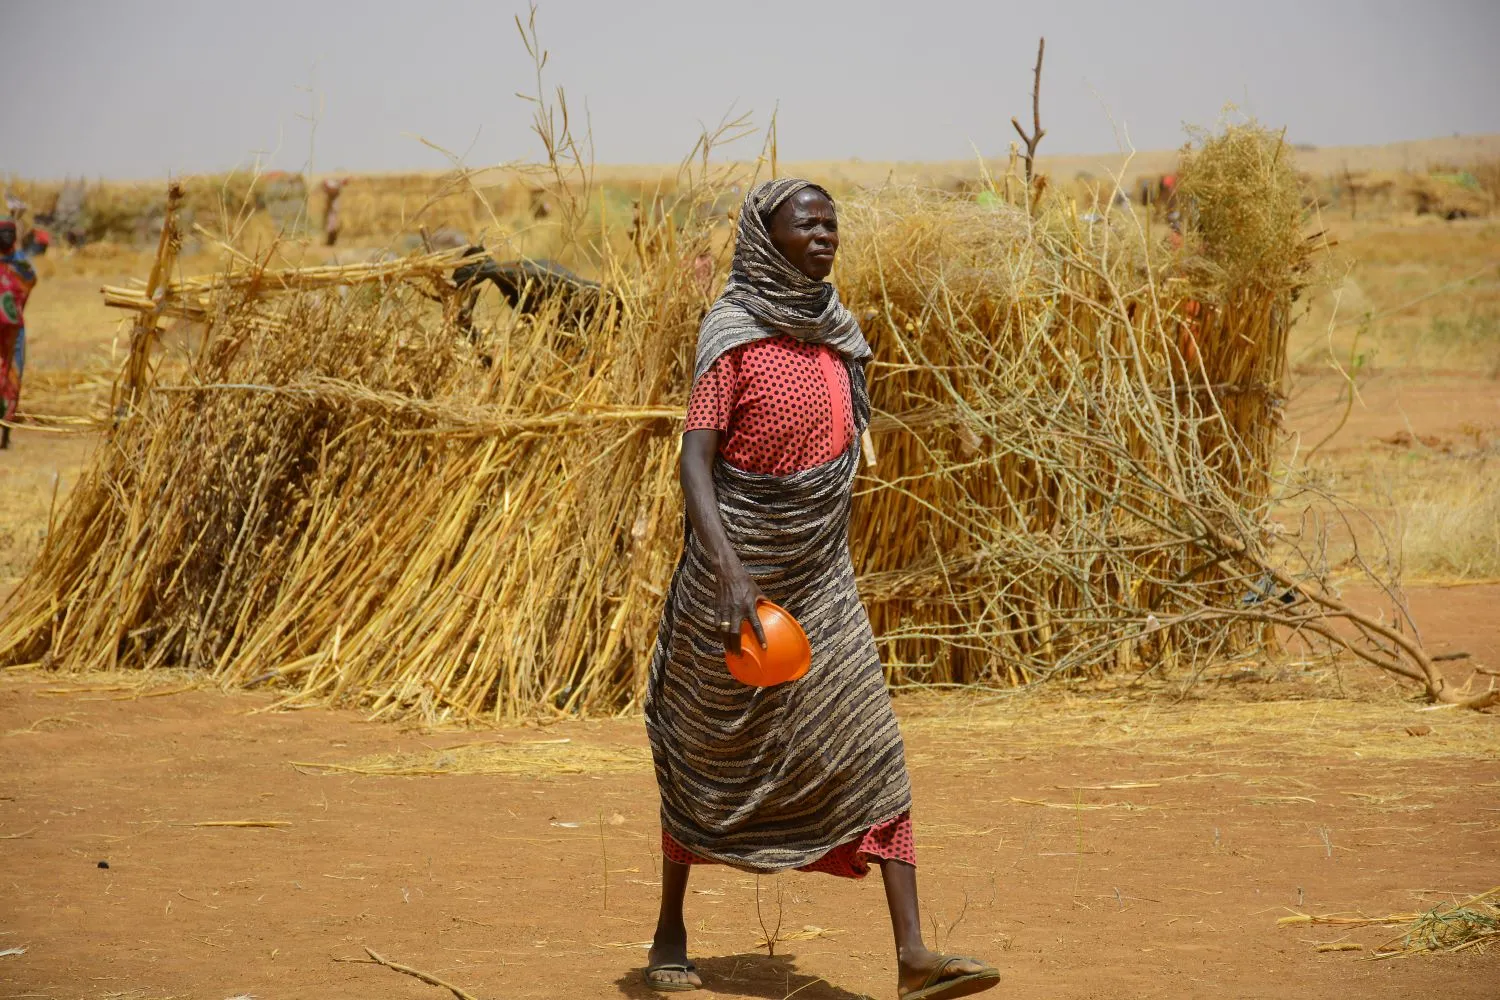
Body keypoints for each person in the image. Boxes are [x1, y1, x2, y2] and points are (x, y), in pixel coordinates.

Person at [642, 178, 1000, 1000]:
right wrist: (731, 570)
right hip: (731, 580)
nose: (825, 233)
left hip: (821, 579)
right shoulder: (730, 334)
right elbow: (694, 463)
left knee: (874, 746)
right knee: (705, 753)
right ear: (766, 237)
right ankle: (669, 935)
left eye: (833, 222)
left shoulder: (840, 333)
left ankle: (913, 956)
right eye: (807, 222)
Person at [0, 218, 37, 432]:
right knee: (13, 368)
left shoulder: (18, 264)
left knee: (11, 369)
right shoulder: (20, 264)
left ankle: (5, 420)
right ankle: (6, 418)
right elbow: (29, 283)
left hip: (13, 326)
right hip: (14, 324)